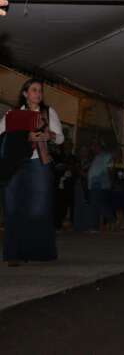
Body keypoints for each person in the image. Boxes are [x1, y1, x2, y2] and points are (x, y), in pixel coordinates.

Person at [1, 79, 64, 265]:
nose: (38, 93)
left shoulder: (48, 112)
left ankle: (35, 250)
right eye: (34, 90)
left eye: (40, 90)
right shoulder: (12, 113)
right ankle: (13, 254)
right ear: (25, 93)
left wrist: (49, 135)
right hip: (14, 163)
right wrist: (22, 135)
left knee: (38, 208)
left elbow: (60, 139)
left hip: (38, 162)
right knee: (12, 207)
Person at [87, 140, 116, 231]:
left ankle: (111, 218)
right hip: (93, 184)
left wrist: (111, 182)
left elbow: (110, 170)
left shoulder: (107, 156)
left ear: (99, 146)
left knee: (97, 203)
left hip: (101, 184)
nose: (92, 148)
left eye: (93, 146)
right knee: (95, 204)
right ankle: (94, 226)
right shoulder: (96, 157)